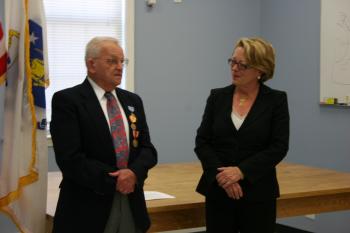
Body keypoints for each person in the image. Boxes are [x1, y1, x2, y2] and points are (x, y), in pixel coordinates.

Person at [50, 36, 157, 233]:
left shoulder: (132, 101)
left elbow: (147, 149)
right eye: (112, 61)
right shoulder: (68, 101)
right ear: (91, 64)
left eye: (122, 61)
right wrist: (116, 180)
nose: (119, 67)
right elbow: (70, 158)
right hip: (87, 206)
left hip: (131, 202)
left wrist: (133, 173)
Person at [194, 37, 289, 233]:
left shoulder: (276, 100)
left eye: (242, 65)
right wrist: (223, 177)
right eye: (232, 62)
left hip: (258, 192)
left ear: (260, 70)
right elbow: (202, 142)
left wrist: (241, 171)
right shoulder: (217, 97)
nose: (234, 68)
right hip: (219, 192)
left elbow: (278, 147)